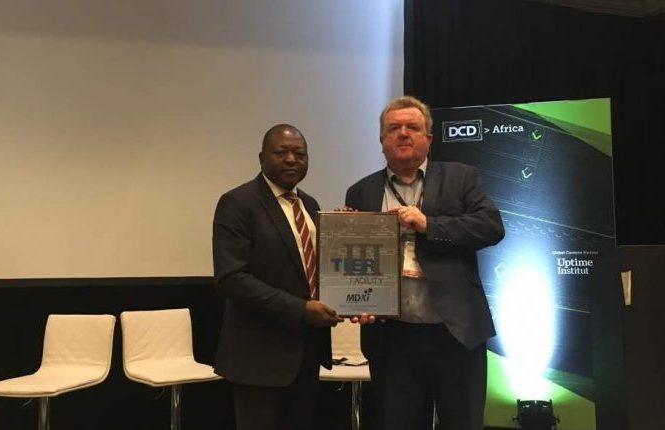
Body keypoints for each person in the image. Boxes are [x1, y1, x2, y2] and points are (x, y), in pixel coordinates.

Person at [346, 96, 505, 430]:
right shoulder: (360, 191)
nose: (403, 133)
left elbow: (491, 227)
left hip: (455, 334)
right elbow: (357, 261)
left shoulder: (461, 177)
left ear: (429, 139)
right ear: (382, 140)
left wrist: (428, 224)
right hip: (393, 340)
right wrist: (356, 299)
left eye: (412, 127)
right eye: (394, 128)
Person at [212, 124, 343, 430]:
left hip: (306, 352)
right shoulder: (237, 203)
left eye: (300, 153)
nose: (291, 159)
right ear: (261, 158)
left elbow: (312, 270)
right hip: (259, 357)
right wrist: (301, 309)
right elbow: (231, 278)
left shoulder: (310, 205)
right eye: (281, 152)